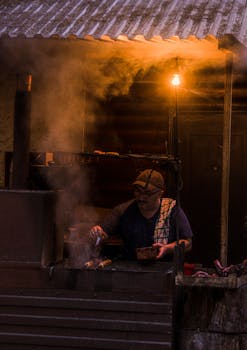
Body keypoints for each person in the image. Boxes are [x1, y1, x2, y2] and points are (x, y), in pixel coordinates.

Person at [89, 169, 193, 260]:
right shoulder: (123, 210)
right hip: (132, 269)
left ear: (161, 193)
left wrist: (167, 248)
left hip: (165, 270)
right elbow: (102, 232)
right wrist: (97, 233)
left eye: (148, 193)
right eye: (138, 191)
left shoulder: (172, 210)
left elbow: (188, 244)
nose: (141, 197)